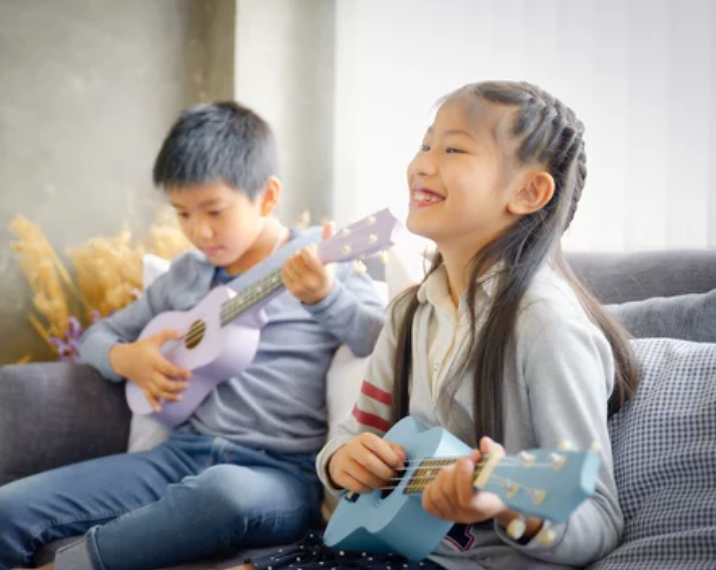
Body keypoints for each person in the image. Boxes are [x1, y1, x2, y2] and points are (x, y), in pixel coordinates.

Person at [234, 80, 639, 570]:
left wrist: (511, 507)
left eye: (453, 149)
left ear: (529, 191)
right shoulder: (408, 313)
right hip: (382, 548)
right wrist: (343, 462)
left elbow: (596, 516)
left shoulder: (546, 326)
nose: (422, 164)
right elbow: (353, 433)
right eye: (426, 145)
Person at [0, 101, 386, 570]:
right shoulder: (186, 276)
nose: (199, 231)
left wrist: (324, 296)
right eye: (183, 214)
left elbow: (379, 338)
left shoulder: (321, 257)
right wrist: (128, 359)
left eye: (214, 210)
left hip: (277, 474)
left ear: (267, 197)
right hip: (180, 455)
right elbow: (96, 337)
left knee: (221, 493)